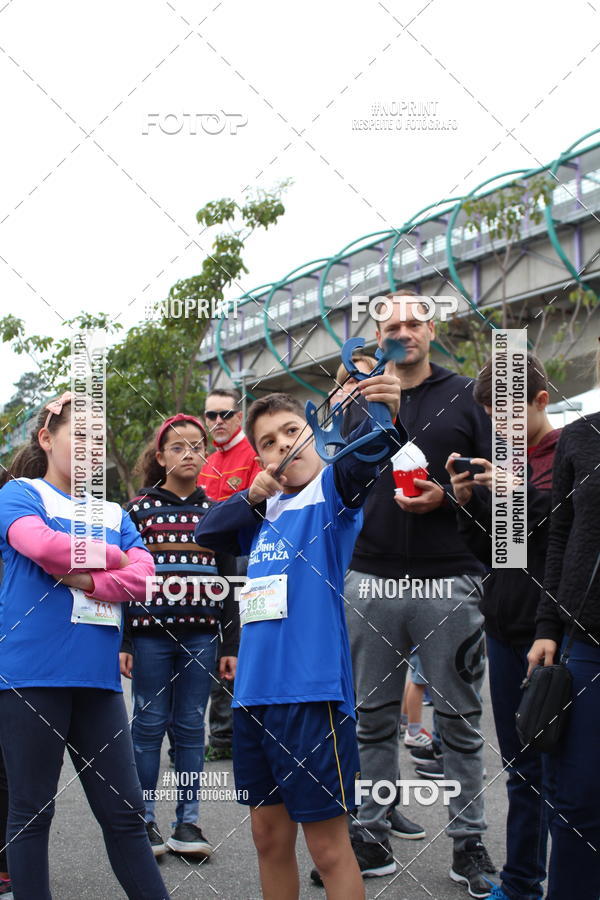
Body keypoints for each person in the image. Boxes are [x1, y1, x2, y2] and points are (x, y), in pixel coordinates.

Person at [195, 366, 402, 900]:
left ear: (315, 434)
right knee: (267, 839)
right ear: (259, 458)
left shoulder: (331, 492)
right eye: (268, 442)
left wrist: (370, 402)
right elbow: (206, 531)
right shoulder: (259, 513)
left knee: (329, 848)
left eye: (293, 431)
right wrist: (252, 496)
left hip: (311, 698)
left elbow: (373, 448)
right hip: (251, 700)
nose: (283, 445)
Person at [341, 292, 495, 898]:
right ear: (379, 337)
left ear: (432, 329)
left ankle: (469, 843)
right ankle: (372, 834)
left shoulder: (467, 396)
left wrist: (453, 496)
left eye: (413, 321)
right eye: (390, 324)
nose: (402, 331)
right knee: (372, 721)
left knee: (459, 720)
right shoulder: (362, 396)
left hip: (450, 576)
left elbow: (497, 482)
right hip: (370, 577)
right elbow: (344, 484)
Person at [0, 393, 168, 900]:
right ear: (47, 439)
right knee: (31, 813)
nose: (93, 448)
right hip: (30, 677)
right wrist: (114, 556)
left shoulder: (114, 509)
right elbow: (44, 548)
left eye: (100, 439)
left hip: (97, 681)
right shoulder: (19, 494)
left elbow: (145, 579)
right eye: (81, 436)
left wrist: (90, 580)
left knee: (125, 814)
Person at [446, 354, 560, 900]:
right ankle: (520, 884)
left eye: (512, 416)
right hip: (506, 625)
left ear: (542, 401)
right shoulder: (500, 463)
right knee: (521, 769)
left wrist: (518, 491)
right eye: (494, 419)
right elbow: (496, 553)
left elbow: (571, 533)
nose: (504, 430)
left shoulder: (573, 451)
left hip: (560, 634)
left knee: (568, 771)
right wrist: (468, 503)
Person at [119, 413, 239, 859]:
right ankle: (144, 819)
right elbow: (123, 578)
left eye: (196, 446)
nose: (189, 453)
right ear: (160, 457)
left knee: (191, 727)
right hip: (148, 636)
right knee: (147, 725)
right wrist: (125, 641)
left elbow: (227, 582)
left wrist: (231, 645)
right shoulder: (137, 510)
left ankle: (188, 822)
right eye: (178, 447)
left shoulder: (218, 513)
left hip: (203, 637)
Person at [527, 351, 600, 900]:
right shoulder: (582, 437)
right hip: (586, 641)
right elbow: (559, 537)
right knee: (578, 799)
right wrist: (549, 624)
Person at [198, 388, 262, 762]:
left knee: (240, 649)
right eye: (211, 416)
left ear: (239, 417)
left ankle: (238, 732)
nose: (218, 422)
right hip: (211, 569)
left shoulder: (252, 456)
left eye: (225, 414)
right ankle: (221, 734)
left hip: (245, 565)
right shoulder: (206, 463)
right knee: (218, 648)